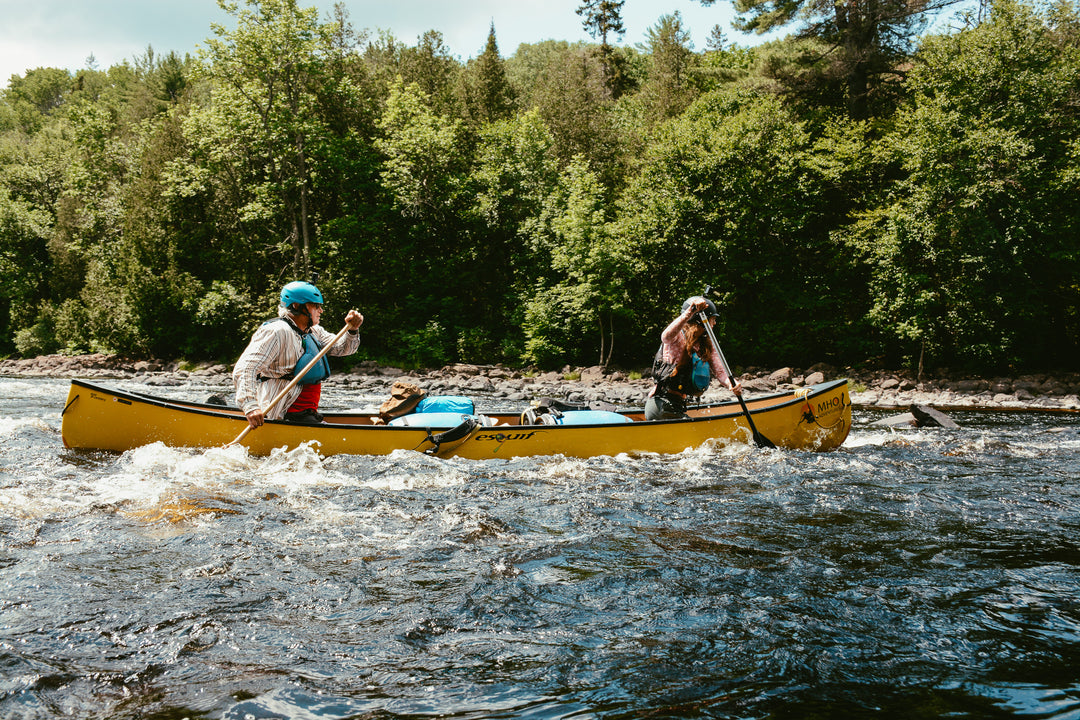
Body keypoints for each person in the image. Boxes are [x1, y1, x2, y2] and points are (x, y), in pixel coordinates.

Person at [233, 281, 364, 428]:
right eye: (316, 306)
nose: (321, 311)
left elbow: (344, 349)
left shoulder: (314, 331)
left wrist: (352, 330)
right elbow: (246, 368)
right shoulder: (276, 331)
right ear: (296, 306)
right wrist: (250, 405)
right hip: (284, 413)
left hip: (306, 413)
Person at [645, 296, 743, 421]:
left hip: (677, 405)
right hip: (661, 405)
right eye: (713, 319)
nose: (715, 323)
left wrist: (732, 384)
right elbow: (665, 336)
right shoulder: (678, 337)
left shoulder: (705, 344)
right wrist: (690, 312)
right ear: (701, 320)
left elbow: (720, 372)